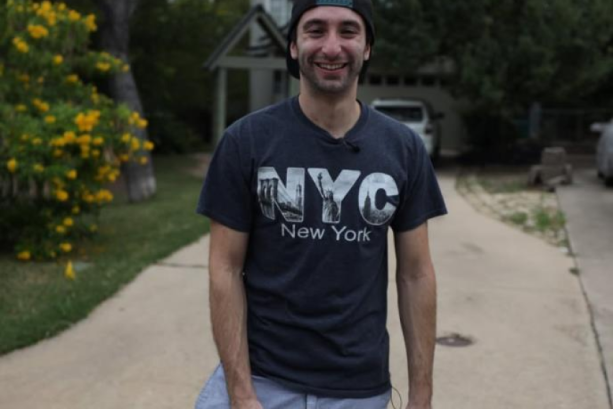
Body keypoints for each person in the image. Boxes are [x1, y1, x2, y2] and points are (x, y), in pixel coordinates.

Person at [195, 0, 447, 408]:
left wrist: (422, 394)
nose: (332, 47)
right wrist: (241, 393)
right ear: (294, 46)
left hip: (358, 389)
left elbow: (416, 275)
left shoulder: (402, 148)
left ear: (367, 47)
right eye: (315, 30)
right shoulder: (247, 141)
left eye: (348, 31)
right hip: (261, 380)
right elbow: (224, 267)